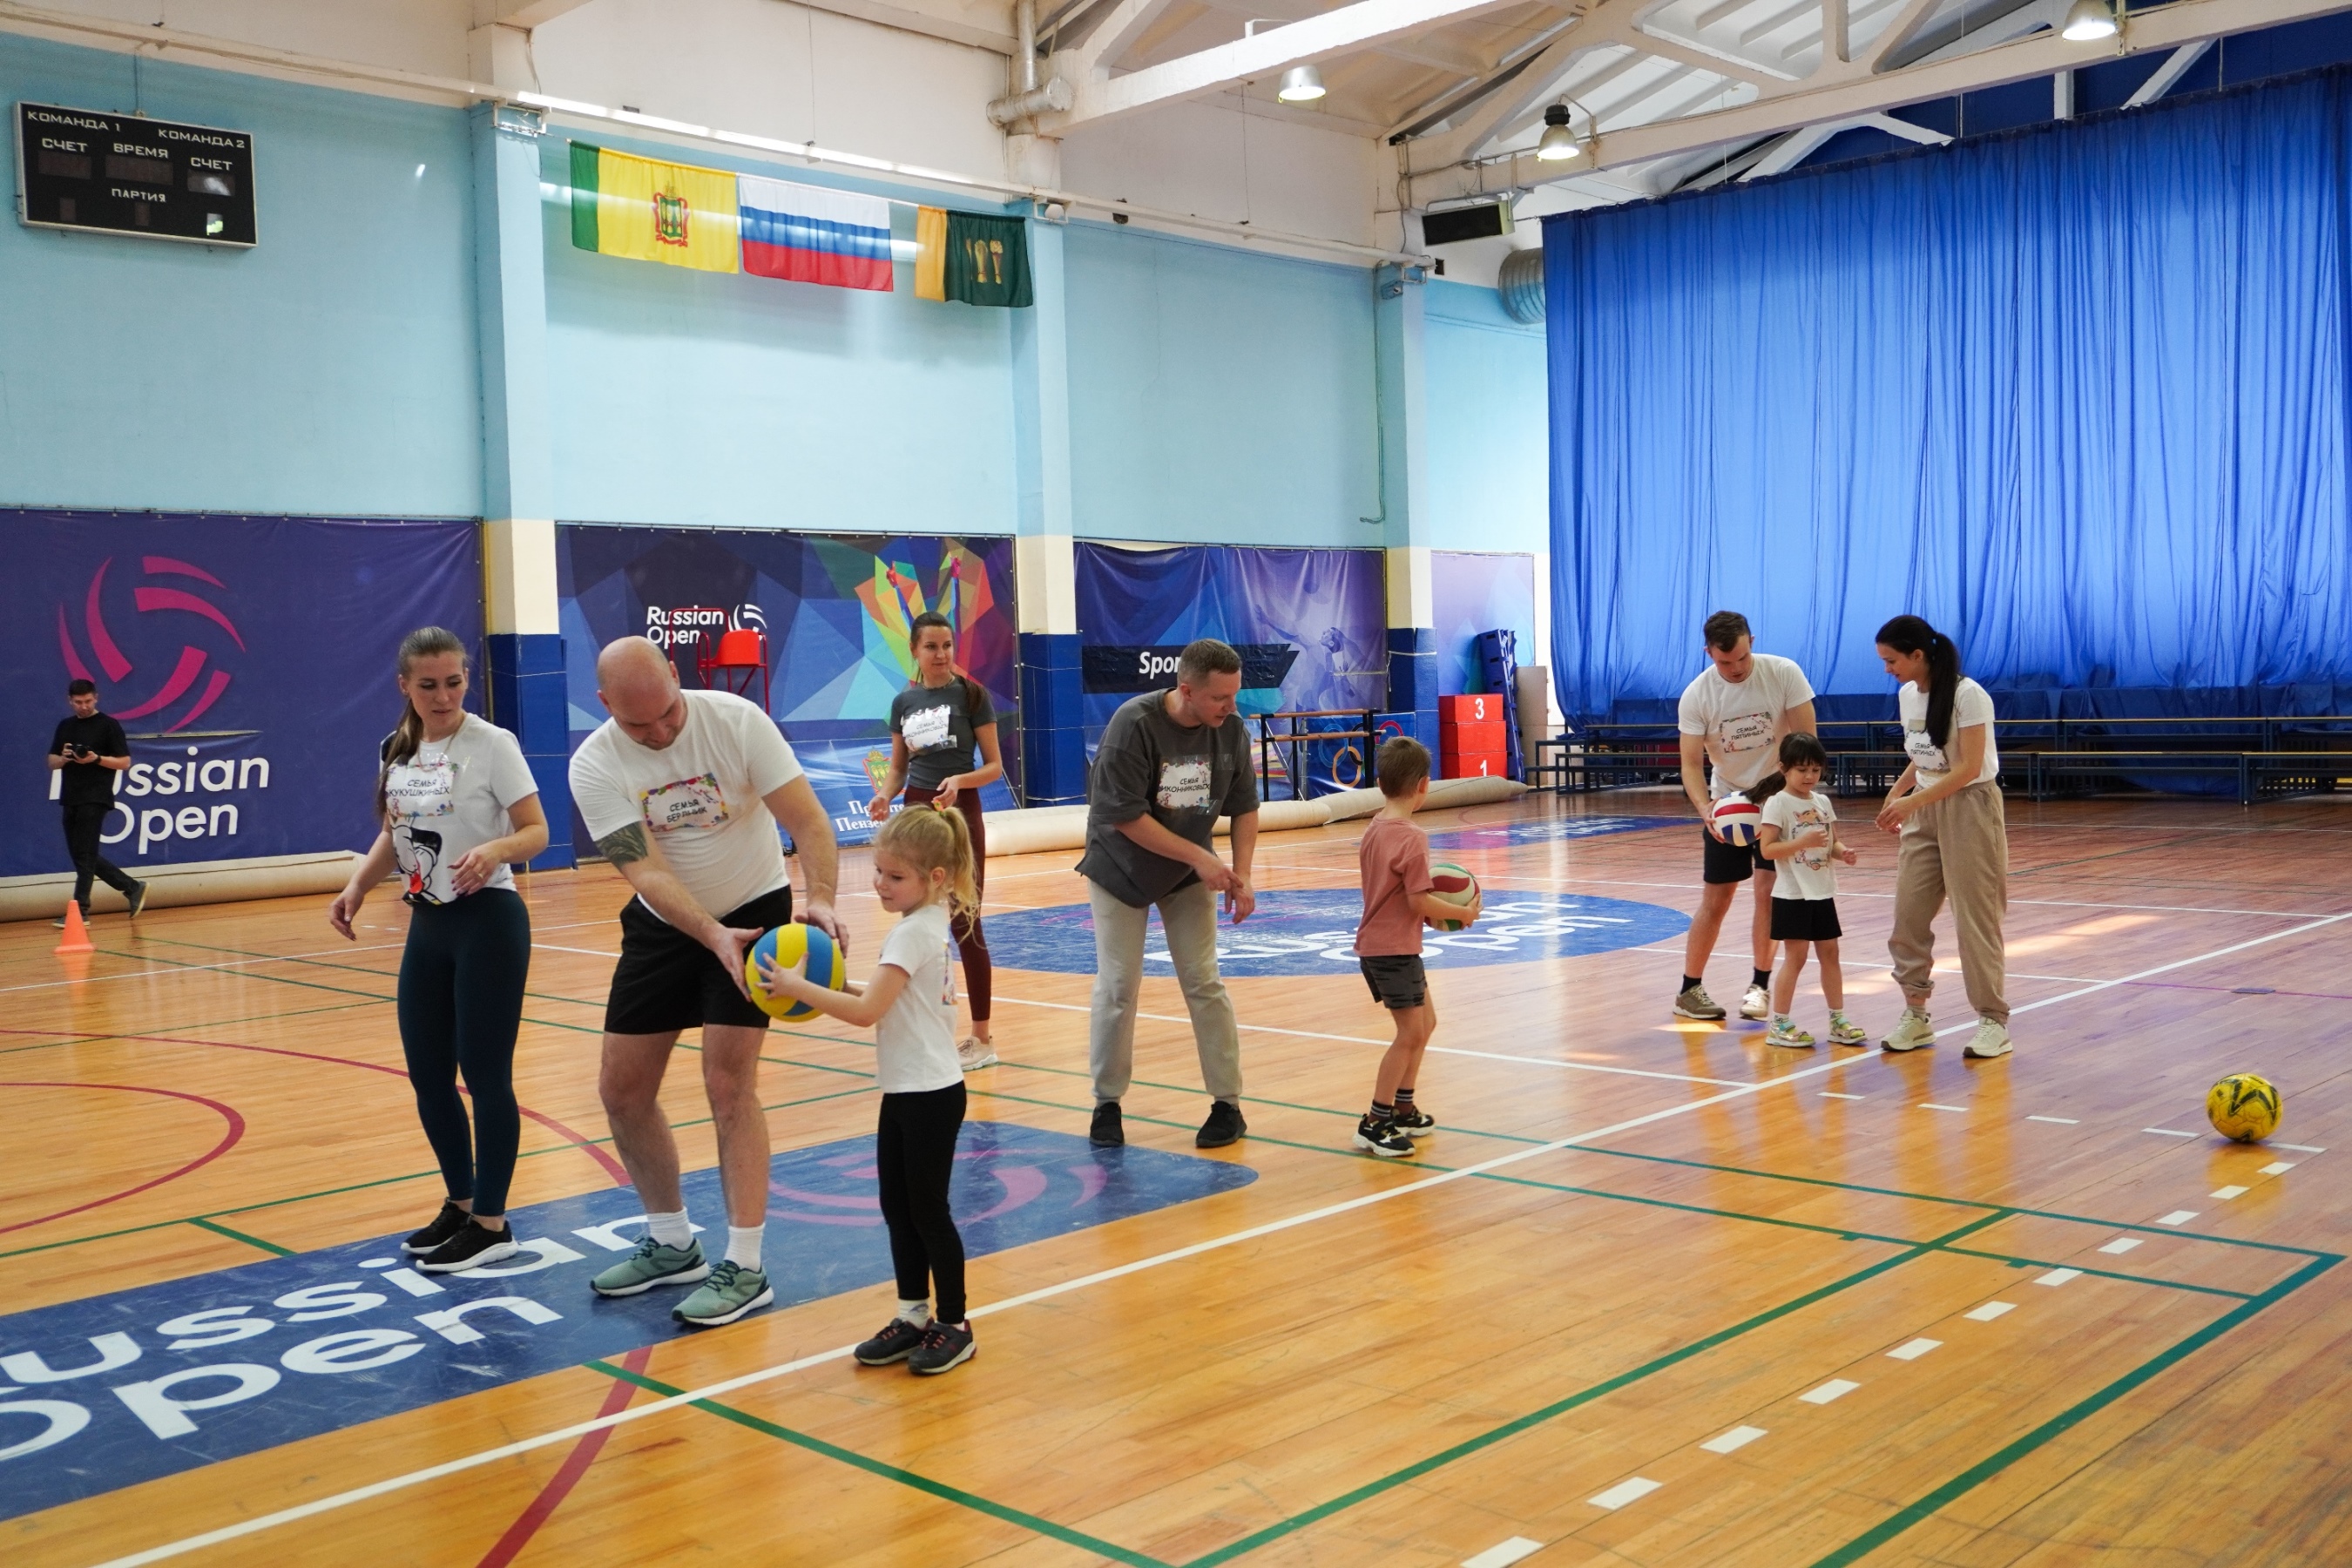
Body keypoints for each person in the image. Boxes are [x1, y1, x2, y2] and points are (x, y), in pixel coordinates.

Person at [569, 636, 845, 1328]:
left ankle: (746, 1266)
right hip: (664, 923)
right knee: (622, 1090)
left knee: (728, 1085)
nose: (660, 733)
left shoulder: (738, 722)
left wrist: (822, 899)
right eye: (639, 724)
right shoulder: (594, 763)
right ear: (604, 705)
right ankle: (672, 1244)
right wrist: (708, 934)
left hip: (755, 912)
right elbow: (646, 870)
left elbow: (808, 820)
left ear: (676, 674)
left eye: (667, 712)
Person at [327, 627, 548, 1271]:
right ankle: (462, 1200)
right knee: (428, 1075)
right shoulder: (396, 747)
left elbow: (536, 830)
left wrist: (497, 849)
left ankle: (493, 1224)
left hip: (489, 923)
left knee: (485, 1075)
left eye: (454, 682)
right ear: (405, 686)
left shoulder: (493, 744)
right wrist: (357, 885)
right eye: (428, 685)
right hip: (427, 927)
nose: (444, 696)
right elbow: (395, 833)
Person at [757, 804, 979, 1376]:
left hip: (929, 1093)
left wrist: (797, 986)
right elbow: (883, 996)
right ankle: (912, 1315)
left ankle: (954, 1324)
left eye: (894, 876)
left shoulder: (913, 933)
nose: (880, 883)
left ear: (935, 877)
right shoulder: (924, 924)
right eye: (879, 871)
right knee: (898, 1208)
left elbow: (865, 1013)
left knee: (927, 1212)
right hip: (908, 1089)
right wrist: (822, 982)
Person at [1078, 638, 1258, 1151]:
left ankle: (1228, 1105)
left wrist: (1242, 874)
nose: (1230, 706)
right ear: (1186, 690)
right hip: (1120, 870)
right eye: (1220, 697)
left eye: (1234, 695)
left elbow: (1245, 806)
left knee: (1204, 981)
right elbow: (1126, 817)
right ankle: (1107, 1104)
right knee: (1118, 985)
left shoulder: (1232, 730)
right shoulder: (1132, 725)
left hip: (1186, 872)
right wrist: (1202, 858)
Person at [867, 611, 1004, 1072]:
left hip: (960, 815)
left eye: (947, 645)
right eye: (931, 646)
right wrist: (885, 795)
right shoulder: (903, 702)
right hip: (917, 812)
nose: (941, 654)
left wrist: (960, 781)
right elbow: (899, 769)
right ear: (915, 651)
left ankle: (981, 1038)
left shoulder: (972, 696)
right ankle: (923, 1027)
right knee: (918, 920)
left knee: (966, 921)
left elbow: (994, 767)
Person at [1874, 615, 2011, 1060]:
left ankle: (1992, 1021)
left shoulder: (1970, 696)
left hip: (1970, 807)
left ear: (1918, 655)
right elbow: (1923, 754)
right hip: (1924, 808)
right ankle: (1916, 1014)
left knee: (1975, 919)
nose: (1887, 669)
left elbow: (1968, 767)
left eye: (1892, 661)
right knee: (1908, 918)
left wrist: (1912, 802)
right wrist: (1899, 793)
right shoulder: (1907, 695)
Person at [1674, 612, 1818, 1024]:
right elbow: (1690, 764)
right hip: (1728, 806)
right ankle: (1689, 990)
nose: (1735, 668)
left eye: (1741, 657)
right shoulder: (1697, 695)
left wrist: (1772, 795)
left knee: (1768, 893)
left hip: (1778, 803)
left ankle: (1759, 986)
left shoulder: (1784, 673)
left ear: (1751, 641)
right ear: (1708, 653)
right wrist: (1706, 810)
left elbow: (1806, 743)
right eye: (1725, 662)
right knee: (1716, 899)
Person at [1351, 736, 1480, 1158]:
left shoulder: (1374, 827)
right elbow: (1418, 902)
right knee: (1409, 1034)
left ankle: (1403, 1108)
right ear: (1424, 785)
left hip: (1384, 945)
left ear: (1380, 783)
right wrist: (1462, 913)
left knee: (1426, 1024)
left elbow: (1398, 896)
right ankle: (1376, 1121)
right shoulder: (1411, 837)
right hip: (1392, 950)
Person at [1749, 733, 1863, 1051]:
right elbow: (1767, 849)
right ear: (1783, 768)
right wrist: (1801, 843)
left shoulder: (1822, 802)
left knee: (1831, 955)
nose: (1810, 776)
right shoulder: (1777, 803)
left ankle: (1838, 1020)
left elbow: (1831, 842)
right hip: (1792, 895)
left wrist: (1843, 852)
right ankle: (1780, 1024)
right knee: (1796, 958)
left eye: (1815, 769)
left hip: (1821, 892)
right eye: (1802, 770)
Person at [48, 679, 145, 927]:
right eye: (78, 702)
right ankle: (132, 887)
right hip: (70, 796)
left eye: (88, 701)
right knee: (82, 855)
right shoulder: (66, 726)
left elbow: (124, 762)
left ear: (96, 698)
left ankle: (81, 910)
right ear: (70, 701)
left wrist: (96, 758)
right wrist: (64, 758)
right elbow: (51, 762)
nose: (84, 706)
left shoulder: (109, 725)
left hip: (96, 796)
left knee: (85, 855)